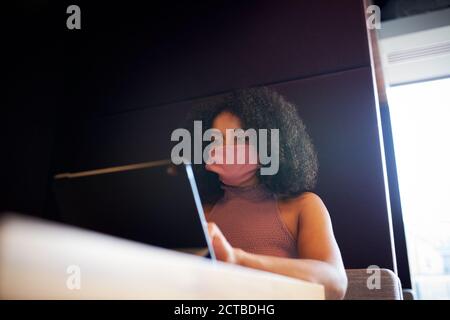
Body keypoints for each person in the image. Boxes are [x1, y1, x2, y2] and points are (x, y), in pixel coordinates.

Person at [189, 87, 347, 299]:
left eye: (238, 139)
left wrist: (237, 260)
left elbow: (334, 284)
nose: (223, 148)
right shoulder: (202, 212)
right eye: (216, 141)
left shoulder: (303, 206)